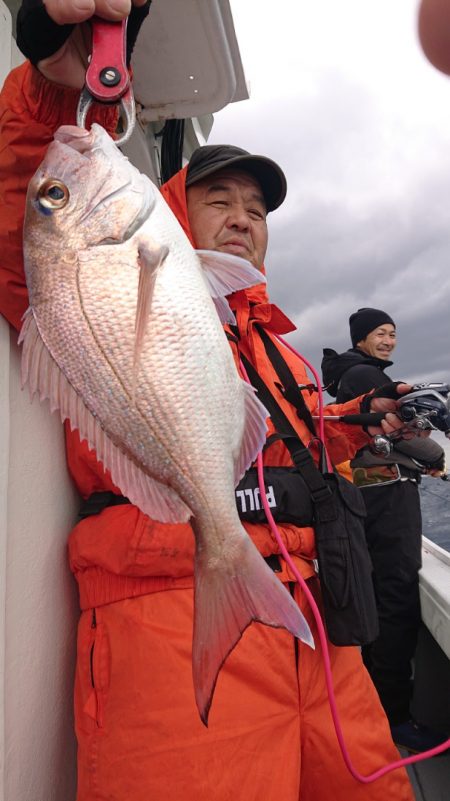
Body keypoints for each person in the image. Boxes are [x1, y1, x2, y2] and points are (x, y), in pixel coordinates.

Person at [0, 5, 418, 800]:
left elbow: (284, 446)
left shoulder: (279, 348)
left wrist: (352, 436)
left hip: (319, 631)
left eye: (257, 213)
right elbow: (32, 214)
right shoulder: (104, 273)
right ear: (171, 205)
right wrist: (59, 89)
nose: (244, 220)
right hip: (168, 621)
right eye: (220, 199)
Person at [322, 307, 447, 753]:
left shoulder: (345, 374)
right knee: (395, 601)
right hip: (387, 499)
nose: (389, 340)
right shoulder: (363, 377)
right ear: (361, 337)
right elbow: (396, 431)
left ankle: (371, 705)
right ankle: (392, 716)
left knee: (374, 596)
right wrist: (435, 457)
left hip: (366, 498)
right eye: (380, 333)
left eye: (393, 333)